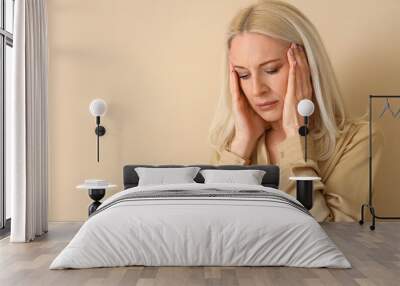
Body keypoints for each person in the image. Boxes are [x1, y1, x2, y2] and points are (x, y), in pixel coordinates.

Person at [208, 0, 384, 222]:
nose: (256, 90)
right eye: (244, 75)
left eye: (271, 70)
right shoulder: (231, 146)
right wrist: (242, 144)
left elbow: (332, 242)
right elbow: (211, 230)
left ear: (306, 66)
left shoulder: (359, 140)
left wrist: (295, 135)